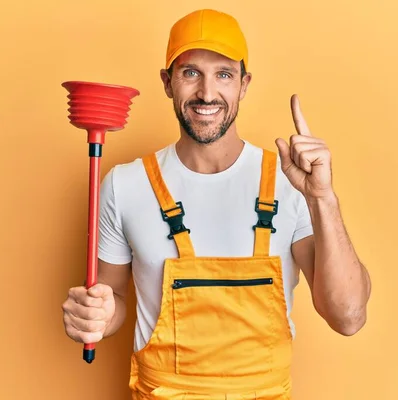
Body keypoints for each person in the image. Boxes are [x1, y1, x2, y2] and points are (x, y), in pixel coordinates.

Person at [62, 8, 371, 399]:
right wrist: (97, 317)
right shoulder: (125, 185)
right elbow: (115, 299)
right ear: (167, 82)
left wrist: (323, 199)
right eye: (191, 72)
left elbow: (348, 317)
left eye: (223, 74)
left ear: (244, 84)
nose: (207, 93)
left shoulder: (291, 183)